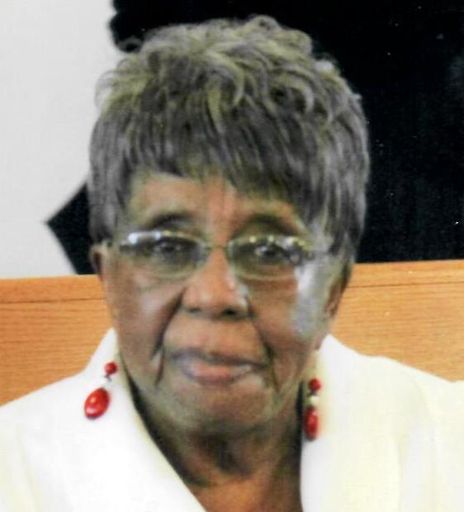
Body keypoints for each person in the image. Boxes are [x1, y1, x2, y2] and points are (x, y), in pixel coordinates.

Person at [0, 15, 462, 512]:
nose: (215, 293)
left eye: (269, 251)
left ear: (333, 288)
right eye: (167, 247)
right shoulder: (15, 477)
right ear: (109, 276)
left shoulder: (448, 444)